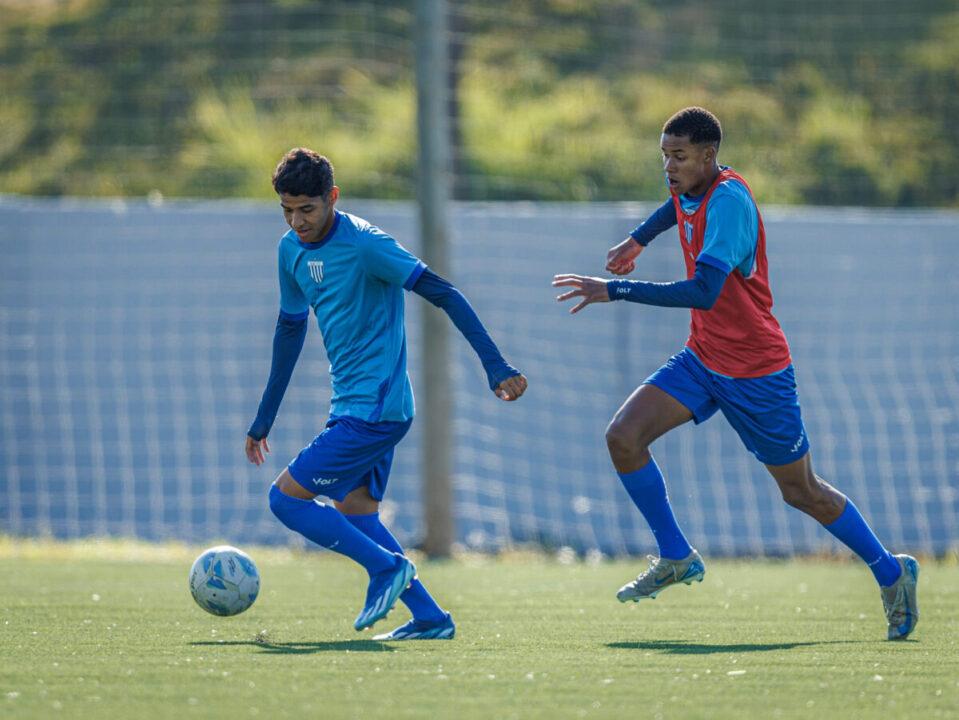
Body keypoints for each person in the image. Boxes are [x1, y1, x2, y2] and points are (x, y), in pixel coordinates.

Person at [552, 107, 918, 641]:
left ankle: (892, 572)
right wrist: (638, 240)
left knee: (802, 491)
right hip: (703, 358)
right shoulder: (691, 187)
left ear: (709, 155)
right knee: (623, 437)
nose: (669, 167)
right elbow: (675, 205)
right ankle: (676, 556)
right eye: (664, 156)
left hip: (756, 372)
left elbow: (703, 291)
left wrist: (615, 289)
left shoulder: (730, 203)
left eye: (679, 157)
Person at [246, 148, 528, 640]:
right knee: (357, 513)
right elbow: (289, 331)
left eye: (307, 209)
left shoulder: (367, 245)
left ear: (332, 197)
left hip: (376, 411)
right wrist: (263, 417)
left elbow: (444, 291)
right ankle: (430, 618)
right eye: (287, 210)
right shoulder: (289, 251)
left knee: (285, 500)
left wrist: (494, 364)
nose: (297, 221)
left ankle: (383, 569)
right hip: (354, 408)